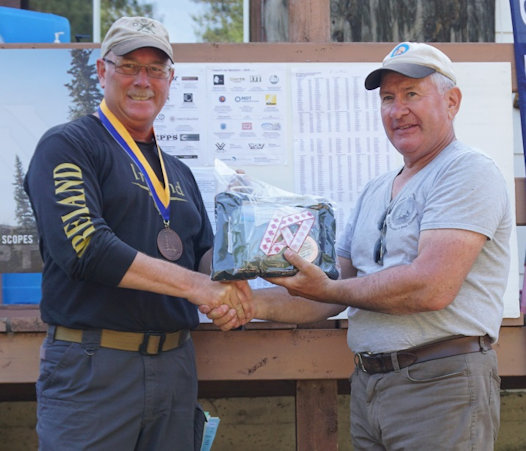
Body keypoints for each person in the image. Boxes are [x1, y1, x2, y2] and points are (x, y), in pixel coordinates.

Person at [203, 42, 512, 450]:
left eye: (411, 94)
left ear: (451, 101)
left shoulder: (467, 171)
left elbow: (430, 287)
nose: (397, 109)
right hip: (370, 387)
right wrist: (249, 305)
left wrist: (328, 289)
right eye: (387, 98)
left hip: (441, 385)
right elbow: (329, 291)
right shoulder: (375, 190)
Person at [24, 16, 252, 450]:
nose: (142, 81)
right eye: (129, 66)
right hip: (93, 368)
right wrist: (200, 289)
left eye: (156, 69)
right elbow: (85, 248)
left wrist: (231, 276)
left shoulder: (179, 172)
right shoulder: (68, 146)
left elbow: (200, 252)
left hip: (175, 366)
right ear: (102, 71)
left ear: (170, 79)